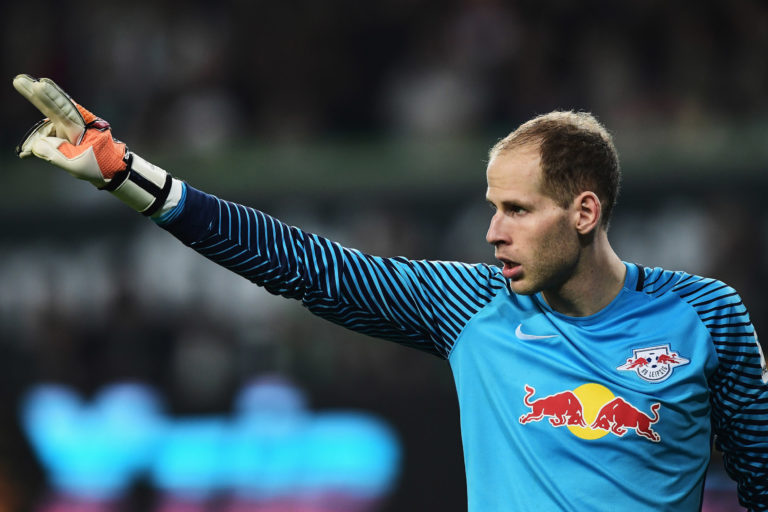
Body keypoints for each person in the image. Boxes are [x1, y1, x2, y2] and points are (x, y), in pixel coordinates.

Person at [13, 74, 768, 511]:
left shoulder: (706, 316)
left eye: (517, 210)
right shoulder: (472, 307)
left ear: (584, 212)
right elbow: (302, 264)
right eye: (491, 207)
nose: (493, 232)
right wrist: (127, 175)